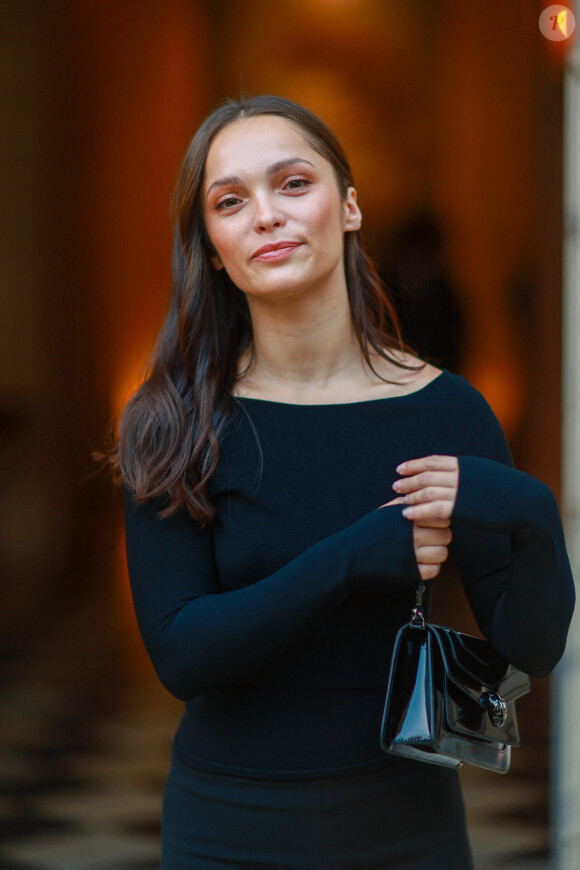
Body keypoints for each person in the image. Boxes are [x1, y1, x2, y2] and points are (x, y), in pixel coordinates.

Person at [110, 95, 575, 869]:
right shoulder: (173, 423)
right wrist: (356, 555)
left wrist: (530, 509)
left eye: (292, 184)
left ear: (350, 207)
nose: (265, 215)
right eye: (231, 201)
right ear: (214, 249)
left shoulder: (450, 411)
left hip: (410, 833)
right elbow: (181, 655)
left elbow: (533, 646)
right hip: (227, 832)